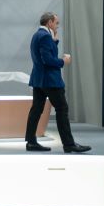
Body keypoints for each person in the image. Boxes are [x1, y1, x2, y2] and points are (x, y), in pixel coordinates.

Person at [25, 11, 90, 153]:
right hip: (50, 80)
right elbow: (48, 60)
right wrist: (63, 61)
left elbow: (45, 55)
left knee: (36, 110)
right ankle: (69, 144)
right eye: (56, 23)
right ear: (49, 23)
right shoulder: (44, 36)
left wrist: (54, 41)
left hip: (39, 80)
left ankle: (31, 142)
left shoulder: (37, 35)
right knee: (62, 109)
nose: (57, 26)